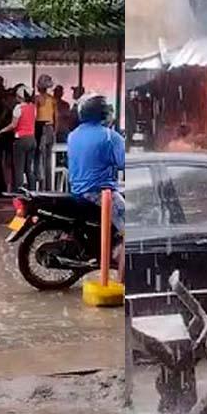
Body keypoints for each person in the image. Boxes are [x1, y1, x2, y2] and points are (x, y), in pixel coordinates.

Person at [68, 95, 126, 282]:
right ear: (103, 114)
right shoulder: (110, 136)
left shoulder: (73, 134)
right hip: (99, 193)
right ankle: (123, 283)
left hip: (77, 190)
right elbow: (123, 163)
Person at [0, 87, 38, 192]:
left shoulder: (18, 108)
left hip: (21, 139)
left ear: (19, 97)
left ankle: (19, 192)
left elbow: (13, 125)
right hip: (32, 139)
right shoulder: (33, 107)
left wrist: (0, 132)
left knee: (19, 168)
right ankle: (32, 191)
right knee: (28, 168)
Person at [35, 75, 59, 190]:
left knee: (40, 158)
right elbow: (56, 117)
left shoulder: (37, 99)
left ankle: (42, 186)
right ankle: (49, 186)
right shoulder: (52, 99)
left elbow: (34, 115)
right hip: (50, 129)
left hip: (41, 128)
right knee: (48, 160)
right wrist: (55, 130)